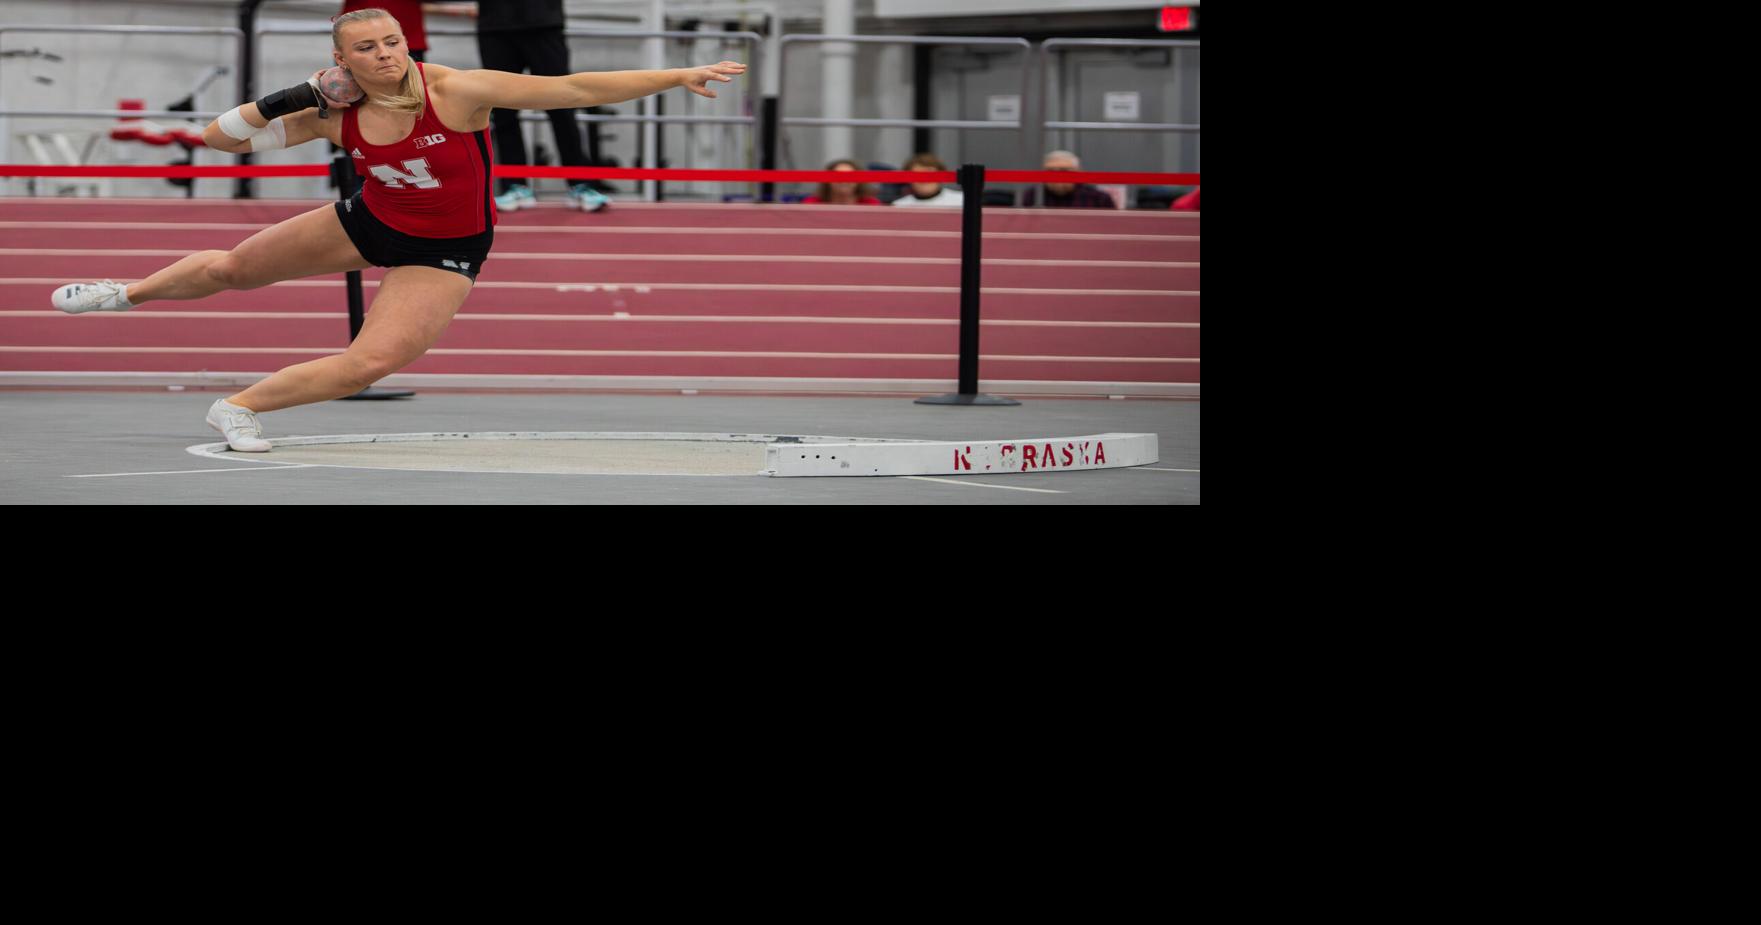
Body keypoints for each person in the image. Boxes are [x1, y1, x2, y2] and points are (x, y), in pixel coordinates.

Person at [49, 7, 745, 452]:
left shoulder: (456, 92)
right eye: (367, 48)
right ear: (342, 60)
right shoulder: (332, 111)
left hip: (444, 249)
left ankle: (236, 407)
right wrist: (287, 99)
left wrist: (676, 73)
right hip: (367, 220)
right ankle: (125, 293)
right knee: (231, 267)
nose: (386, 55)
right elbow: (220, 139)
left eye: (392, 42)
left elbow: (573, 89)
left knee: (372, 362)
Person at [475, 0, 608, 212]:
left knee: (562, 105)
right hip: (495, 27)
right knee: (503, 111)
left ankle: (581, 184)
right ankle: (514, 185)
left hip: (544, 23)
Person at [1019, 150, 1116, 209]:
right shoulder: (1032, 196)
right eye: (1051, 171)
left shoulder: (1099, 199)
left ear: (1078, 172)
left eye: (1064, 170)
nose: (1057, 175)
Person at [890, 153, 963, 208]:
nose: (924, 180)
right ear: (908, 179)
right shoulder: (899, 206)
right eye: (918, 176)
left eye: (930, 175)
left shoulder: (962, 200)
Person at [801, 159, 883, 205]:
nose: (844, 181)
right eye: (838, 176)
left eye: (849, 176)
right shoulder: (812, 203)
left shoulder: (870, 204)